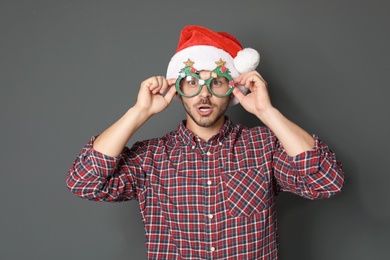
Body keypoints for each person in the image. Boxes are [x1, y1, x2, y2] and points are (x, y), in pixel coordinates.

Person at [67, 25, 344, 259]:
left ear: (233, 89)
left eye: (217, 83)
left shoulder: (264, 147)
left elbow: (327, 182)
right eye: (192, 82)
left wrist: (266, 113)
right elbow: (84, 182)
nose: (204, 95)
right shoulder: (150, 158)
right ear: (178, 90)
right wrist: (138, 113)